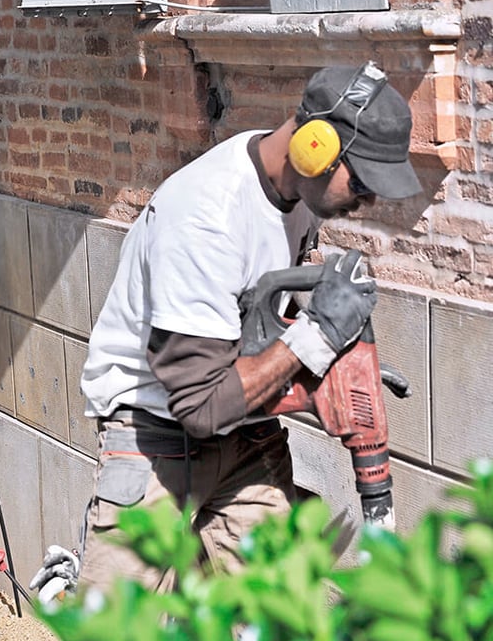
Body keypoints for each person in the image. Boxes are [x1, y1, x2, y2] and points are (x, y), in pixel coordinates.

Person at [31, 62, 422, 601]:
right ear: (314, 147)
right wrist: (315, 339)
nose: (370, 200)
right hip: (158, 434)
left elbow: (270, 315)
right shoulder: (205, 218)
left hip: (246, 436)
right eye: (361, 180)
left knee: (280, 612)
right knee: (115, 627)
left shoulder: (295, 197)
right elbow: (201, 405)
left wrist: (339, 366)